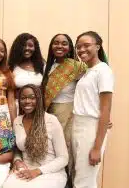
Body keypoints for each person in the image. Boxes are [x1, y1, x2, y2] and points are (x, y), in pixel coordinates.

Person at [3, 84, 68, 188]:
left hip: (50, 172)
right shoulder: (17, 121)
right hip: (25, 170)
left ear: (39, 99)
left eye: (32, 97)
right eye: (23, 98)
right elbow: (17, 149)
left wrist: (37, 171)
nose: (27, 101)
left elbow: (63, 158)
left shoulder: (51, 120)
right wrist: (17, 160)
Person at [41, 34, 86, 181]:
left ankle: (69, 181)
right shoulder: (46, 66)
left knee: (66, 148)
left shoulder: (76, 66)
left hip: (68, 113)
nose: (59, 46)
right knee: (50, 149)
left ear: (70, 47)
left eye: (64, 43)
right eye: (56, 43)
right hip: (49, 113)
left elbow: (90, 91)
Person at [72, 31, 114, 188]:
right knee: (80, 177)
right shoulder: (87, 71)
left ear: (98, 46)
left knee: (84, 182)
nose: (82, 49)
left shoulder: (103, 71)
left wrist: (97, 147)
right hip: (79, 126)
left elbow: (105, 110)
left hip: (90, 129)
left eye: (86, 45)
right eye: (78, 47)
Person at [8, 33, 45, 99]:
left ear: (35, 48)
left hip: (39, 106)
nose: (27, 48)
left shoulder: (42, 65)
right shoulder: (11, 66)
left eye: (30, 45)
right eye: (23, 45)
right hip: (18, 105)